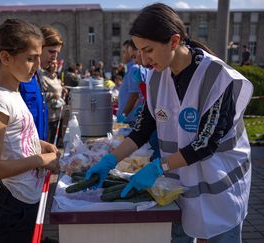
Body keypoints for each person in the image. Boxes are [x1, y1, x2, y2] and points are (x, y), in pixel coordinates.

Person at [85, 3, 253, 242]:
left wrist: (156, 168)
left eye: (148, 50)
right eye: (139, 51)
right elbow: (142, 129)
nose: (143, 60)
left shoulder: (218, 78)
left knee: (220, 234)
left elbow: (205, 144)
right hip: (180, 183)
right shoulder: (156, 78)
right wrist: (109, 160)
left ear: (174, 41)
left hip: (221, 185)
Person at [0, 19, 60, 243]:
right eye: (30, 58)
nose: (37, 65)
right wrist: (39, 160)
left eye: (38, 57)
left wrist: (39, 145)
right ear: (6, 58)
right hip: (14, 205)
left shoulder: (14, 92)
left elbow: (15, 141)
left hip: (27, 197)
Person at [19, 25, 63, 141]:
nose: (55, 58)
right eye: (51, 51)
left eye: (57, 53)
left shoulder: (38, 75)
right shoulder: (22, 76)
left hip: (38, 142)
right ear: (38, 47)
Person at [41, 61, 67, 146]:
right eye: (53, 63)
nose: (55, 65)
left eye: (56, 63)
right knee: (50, 138)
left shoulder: (55, 77)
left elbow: (57, 89)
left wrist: (62, 89)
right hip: (50, 114)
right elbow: (41, 94)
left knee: (57, 138)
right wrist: (52, 95)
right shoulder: (43, 78)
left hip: (59, 113)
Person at [116, 40, 141, 125]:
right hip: (129, 119)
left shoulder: (134, 68)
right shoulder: (130, 69)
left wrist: (123, 115)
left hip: (130, 120)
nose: (122, 55)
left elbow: (135, 96)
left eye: (124, 52)